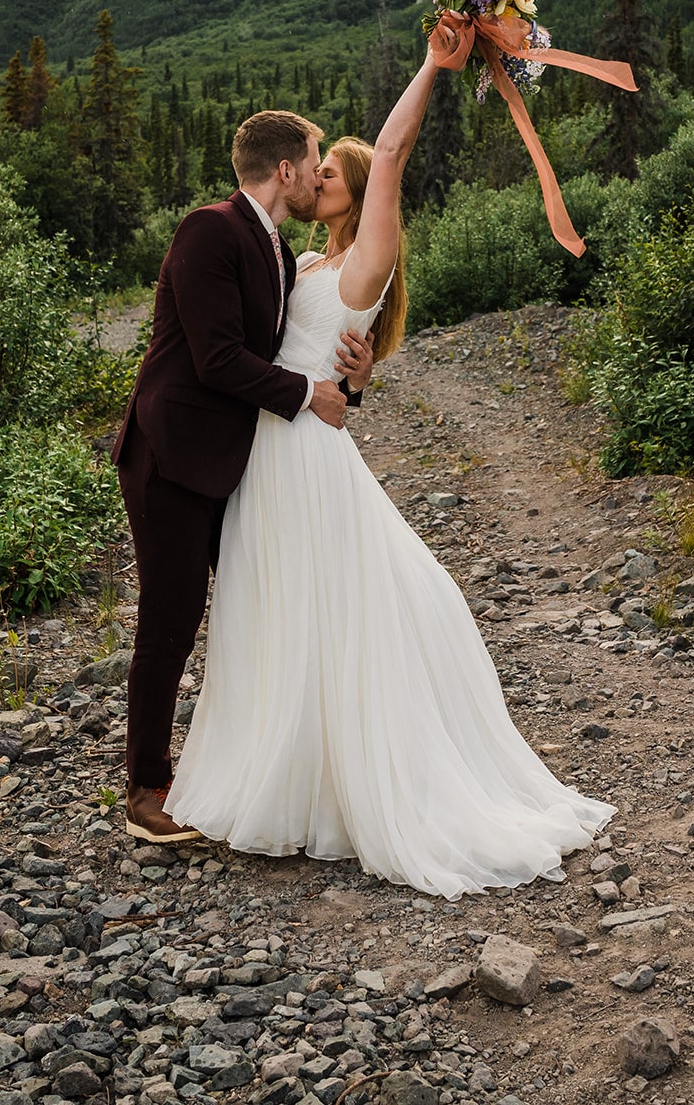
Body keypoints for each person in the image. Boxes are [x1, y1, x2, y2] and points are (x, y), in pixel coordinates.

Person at [166, 48, 615, 897]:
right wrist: (349, 378)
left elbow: (395, 151)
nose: (317, 179)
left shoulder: (367, 257)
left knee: (327, 609)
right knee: (276, 611)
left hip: (303, 455)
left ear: (357, 184)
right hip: (267, 452)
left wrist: (432, 64)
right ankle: (286, 778)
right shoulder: (303, 264)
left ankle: (351, 790)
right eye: (316, 168)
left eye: (331, 170)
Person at [112, 109, 375, 844]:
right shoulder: (210, 229)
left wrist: (350, 379)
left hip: (236, 461)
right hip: (169, 454)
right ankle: (145, 786)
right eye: (314, 162)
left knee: (260, 609)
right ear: (284, 170)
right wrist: (305, 397)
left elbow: (293, 351)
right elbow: (216, 358)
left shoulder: (279, 252)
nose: (318, 174)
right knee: (171, 618)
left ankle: (262, 769)